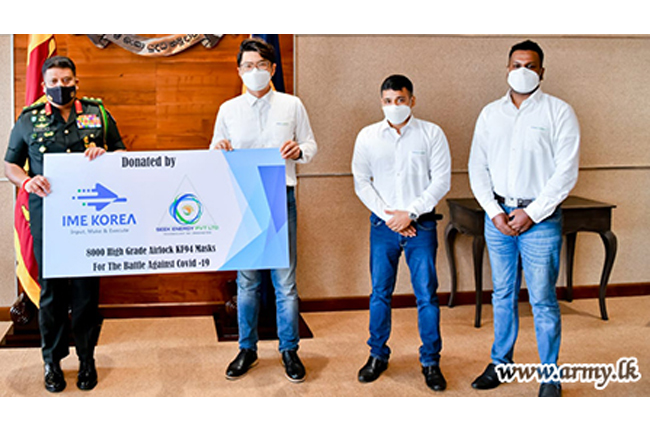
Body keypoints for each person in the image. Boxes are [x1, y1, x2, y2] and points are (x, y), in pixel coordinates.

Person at [4, 56, 126, 393]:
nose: (61, 87)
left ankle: (87, 359)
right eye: (54, 81)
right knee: (53, 294)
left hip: (91, 217)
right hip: (50, 219)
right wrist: (27, 182)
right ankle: (52, 362)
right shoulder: (28, 120)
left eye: (67, 80)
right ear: (44, 86)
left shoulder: (97, 113)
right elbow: (9, 165)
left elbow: (122, 152)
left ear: (76, 81)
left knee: (87, 293)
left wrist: (106, 155)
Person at [468, 40, 580, 397]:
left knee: (543, 299)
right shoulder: (489, 114)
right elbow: (477, 167)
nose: (522, 72)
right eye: (516, 65)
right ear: (507, 69)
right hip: (498, 218)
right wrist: (495, 212)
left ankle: (550, 374)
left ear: (542, 71)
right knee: (502, 294)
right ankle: (501, 362)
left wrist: (531, 214)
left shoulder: (559, 112)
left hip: (541, 221)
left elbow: (565, 173)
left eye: (530, 66)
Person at [210, 38, 317, 383]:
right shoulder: (229, 109)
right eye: (247, 66)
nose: (253, 72)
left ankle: (289, 350)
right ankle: (247, 348)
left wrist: (298, 150)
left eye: (260, 65)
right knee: (248, 282)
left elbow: (312, 146)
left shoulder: (292, 104)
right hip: (242, 199)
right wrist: (220, 148)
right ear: (239, 70)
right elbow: (214, 150)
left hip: (279, 196)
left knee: (284, 282)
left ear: (272, 69)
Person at [351, 74, 451, 391]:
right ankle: (377, 355)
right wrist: (391, 217)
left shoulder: (432, 134)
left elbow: (441, 181)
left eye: (401, 100)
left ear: (412, 100)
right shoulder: (367, 136)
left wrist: (410, 213)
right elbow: (361, 182)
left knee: (426, 295)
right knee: (380, 293)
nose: (394, 106)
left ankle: (431, 361)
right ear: (381, 102)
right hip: (383, 227)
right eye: (388, 100)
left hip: (421, 227)